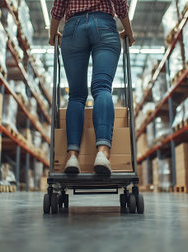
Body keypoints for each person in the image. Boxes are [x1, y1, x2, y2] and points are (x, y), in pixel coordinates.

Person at [49, 0, 135, 175]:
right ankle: (102, 153)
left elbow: (58, 7)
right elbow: (120, 4)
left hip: (73, 30)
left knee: (76, 96)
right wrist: (129, 32)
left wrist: (53, 33)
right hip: (104, 26)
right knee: (102, 88)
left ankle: (72, 156)